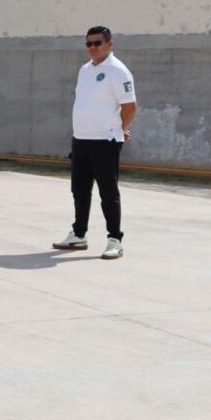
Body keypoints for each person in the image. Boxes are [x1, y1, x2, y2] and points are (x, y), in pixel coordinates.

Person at [52, 26, 136, 260]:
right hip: (81, 140)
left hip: (105, 141)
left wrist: (120, 129)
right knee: (79, 189)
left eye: (97, 43)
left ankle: (115, 240)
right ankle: (79, 235)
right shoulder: (85, 70)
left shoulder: (118, 71)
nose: (92, 48)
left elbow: (130, 107)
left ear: (109, 44)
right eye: (88, 43)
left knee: (108, 192)